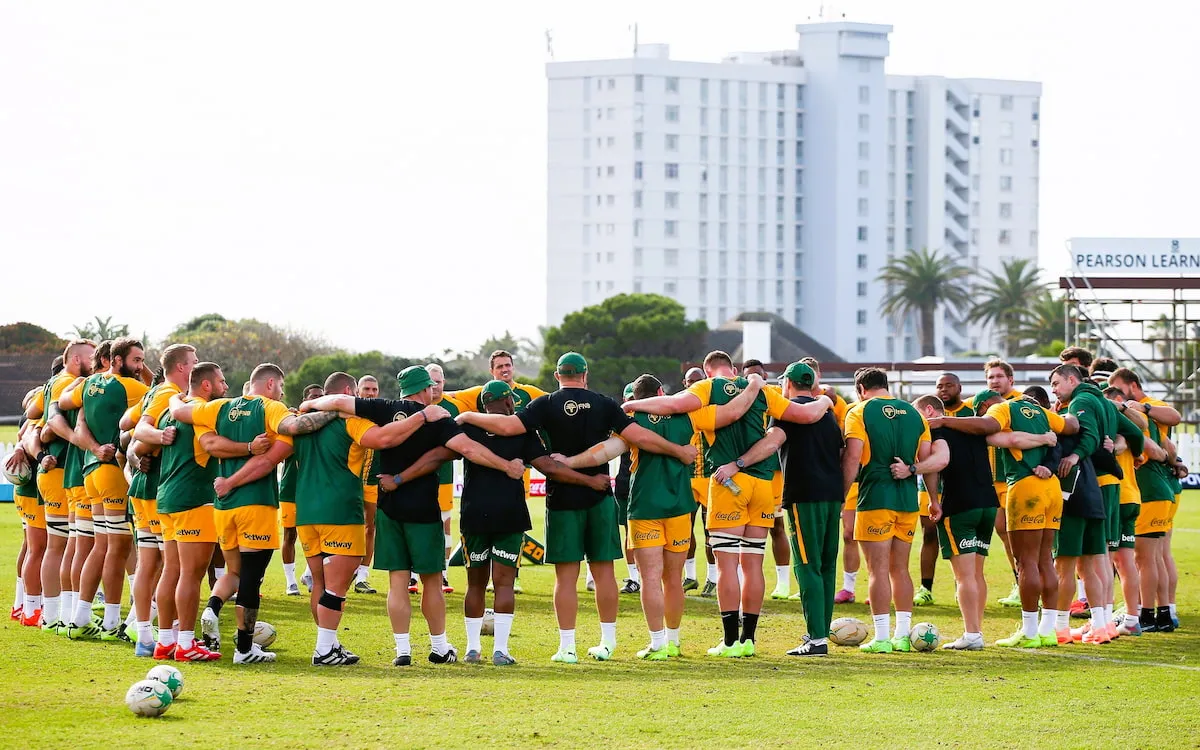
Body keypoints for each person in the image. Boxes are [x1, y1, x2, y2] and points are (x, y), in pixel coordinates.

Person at [456, 352, 698, 664]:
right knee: (604, 572)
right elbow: (639, 436)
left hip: (561, 499)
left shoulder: (544, 404)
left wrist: (468, 417)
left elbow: (508, 427)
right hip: (599, 496)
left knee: (565, 577)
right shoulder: (605, 403)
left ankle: (567, 647)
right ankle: (607, 642)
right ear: (585, 375)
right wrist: (678, 450)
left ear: (557, 376)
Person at [302, 365, 525, 667]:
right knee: (431, 582)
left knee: (398, 581)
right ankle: (439, 647)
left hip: (389, 506)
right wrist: (506, 466)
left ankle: (402, 650)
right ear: (426, 389)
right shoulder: (439, 417)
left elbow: (339, 401)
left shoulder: (383, 408)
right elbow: (470, 450)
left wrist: (309, 404)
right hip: (423, 510)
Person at [623, 350, 834, 658]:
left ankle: (731, 642)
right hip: (762, 483)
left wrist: (630, 405)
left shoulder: (708, 389)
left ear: (709, 373)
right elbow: (807, 415)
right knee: (752, 564)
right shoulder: (765, 390)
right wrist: (825, 399)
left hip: (727, 482)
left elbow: (672, 404)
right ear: (734, 369)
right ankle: (749, 639)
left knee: (727, 566)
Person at [562, 372, 762, 659]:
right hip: (680, 506)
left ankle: (657, 644)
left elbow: (604, 452)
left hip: (645, 507)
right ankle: (674, 640)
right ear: (662, 393)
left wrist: (569, 461)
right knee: (673, 578)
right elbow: (734, 411)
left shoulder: (632, 421)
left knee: (650, 578)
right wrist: (754, 384)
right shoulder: (691, 416)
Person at [287, 371, 459, 666]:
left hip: (306, 510)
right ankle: (325, 649)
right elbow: (383, 439)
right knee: (336, 586)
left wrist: (302, 410)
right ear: (345, 392)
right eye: (356, 391)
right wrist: (422, 417)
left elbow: (276, 448)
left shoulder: (299, 425)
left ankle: (330, 644)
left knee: (319, 581)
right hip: (340, 509)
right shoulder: (351, 421)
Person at [455, 380, 610, 665]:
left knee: (475, 585)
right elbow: (550, 467)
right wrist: (590, 480)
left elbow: (445, 452)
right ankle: (500, 650)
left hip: (474, 514)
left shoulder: (468, 428)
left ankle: (473, 649)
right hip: (509, 515)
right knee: (503, 585)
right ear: (507, 403)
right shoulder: (522, 431)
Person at [171, 363, 297, 664]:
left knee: (234, 572)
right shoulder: (273, 408)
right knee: (252, 580)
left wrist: (173, 397)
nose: (281, 392)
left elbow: (180, 412)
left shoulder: (218, 407)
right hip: (254, 504)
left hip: (223, 510)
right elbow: (268, 462)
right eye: (280, 386)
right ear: (269, 385)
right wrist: (231, 482)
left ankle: (211, 608)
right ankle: (244, 649)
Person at [719, 362, 844, 656]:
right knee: (826, 566)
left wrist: (738, 463)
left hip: (804, 495)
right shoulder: (827, 416)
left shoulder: (787, 412)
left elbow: (771, 443)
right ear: (812, 384)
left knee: (807, 564)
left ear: (787, 383)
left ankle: (815, 639)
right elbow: (846, 454)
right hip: (832, 496)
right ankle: (820, 634)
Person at [913, 395, 1055, 649]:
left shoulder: (936, 431)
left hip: (960, 505)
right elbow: (1011, 439)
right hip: (988, 504)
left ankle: (972, 634)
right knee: (977, 572)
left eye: (918, 415)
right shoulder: (974, 428)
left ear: (930, 411)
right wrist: (1044, 439)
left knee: (964, 575)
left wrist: (921, 480)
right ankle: (975, 630)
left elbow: (940, 462)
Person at [153, 362, 255, 661]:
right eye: (222, 382)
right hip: (193, 500)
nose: (226, 387)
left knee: (171, 571)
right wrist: (250, 447)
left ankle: (165, 641)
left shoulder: (169, 409)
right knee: (191, 574)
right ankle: (185, 643)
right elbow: (214, 446)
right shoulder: (201, 411)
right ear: (207, 385)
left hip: (167, 498)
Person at [842, 367, 943, 653]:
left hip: (875, 499)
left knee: (877, 571)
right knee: (900, 569)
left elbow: (852, 457)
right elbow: (928, 461)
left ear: (861, 389)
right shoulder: (916, 415)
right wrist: (933, 499)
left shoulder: (859, 412)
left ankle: (883, 638)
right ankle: (902, 635)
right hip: (909, 501)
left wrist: (840, 494)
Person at [63, 337, 149, 641]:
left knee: (100, 546)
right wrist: (145, 373)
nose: (140, 367)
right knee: (118, 548)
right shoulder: (130, 387)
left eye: (142, 361)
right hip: (113, 471)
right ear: (116, 360)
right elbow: (169, 393)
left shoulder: (89, 384)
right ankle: (112, 622)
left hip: (90, 470)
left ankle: (80, 617)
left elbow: (64, 405)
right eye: (136, 360)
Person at [978, 387, 1078, 648]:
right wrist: (1047, 438)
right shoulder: (1041, 412)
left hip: (1024, 485)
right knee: (1046, 558)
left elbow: (998, 437)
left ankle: (1030, 632)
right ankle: (1047, 630)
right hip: (1052, 488)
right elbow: (1071, 425)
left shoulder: (1002, 410)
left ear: (987, 404)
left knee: (1026, 562)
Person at [123, 343, 198, 655]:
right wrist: (159, 438)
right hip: (156, 487)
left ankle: (144, 634)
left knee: (151, 563)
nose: (197, 366)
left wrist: (136, 452)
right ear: (181, 367)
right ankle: (173, 636)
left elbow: (124, 425)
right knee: (171, 566)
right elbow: (139, 429)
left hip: (145, 486)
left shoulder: (158, 393)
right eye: (194, 362)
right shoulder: (167, 393)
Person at [21, 341, 94, 633]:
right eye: (91, 357)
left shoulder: (51, 383)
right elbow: (48, 423)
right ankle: (67, 614)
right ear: (76, 359)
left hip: (50, 470)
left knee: (54, 546)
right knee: (67, 545)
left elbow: (31, 415)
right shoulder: (70, 383)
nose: (96, 361)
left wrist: (38, 445)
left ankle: (49, 615)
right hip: (63, 468)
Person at [1108, 367, 1182, 632]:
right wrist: (1174, 462)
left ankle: (1147, 615)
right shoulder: (1143, 416)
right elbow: (1168, 447)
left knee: (1144, 559)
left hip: (1149, 491)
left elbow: (1151, 445)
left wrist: (1142, 453)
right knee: (1157, 556)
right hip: (1161, 488)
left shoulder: (1138, 413)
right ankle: (1163, 613)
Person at [1103, 385, 1153, 636]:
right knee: (1124, 562)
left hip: (1116, 497)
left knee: (1106, 560)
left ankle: (1105, 619)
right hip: (1131, 497)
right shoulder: (1132, 434)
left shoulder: (1118, 431)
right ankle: (1132, 617)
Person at [741, 359, 792, 601]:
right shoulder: (736, 398)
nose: (754, 380)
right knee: (739, 528)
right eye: (749, 376)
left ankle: (783, 583)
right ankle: (743, 581)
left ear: (766, 377)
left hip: (772, 472)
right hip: (741, 471)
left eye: (758, 375)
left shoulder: (773, 396)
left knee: (777, 526)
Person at [279, 383, 325, 597]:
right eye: (313, 396)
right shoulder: (292, 422)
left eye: (320, 396)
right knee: (290, 535)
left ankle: (309, 574)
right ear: (305, 399)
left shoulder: (327, 424)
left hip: (315, 489)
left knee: (317, 534)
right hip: (291, 487)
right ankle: (290, 581)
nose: (317, 399)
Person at [680, 367, 711, 595]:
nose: (693, 385)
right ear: (684, 383)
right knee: (684, 530)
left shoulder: (715, 409)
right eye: (690, 381)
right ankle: (690, 576)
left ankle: (713, 577)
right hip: (687, 478)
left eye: (698, 381)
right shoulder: (679, 410)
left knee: (712, 532)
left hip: (710, 479)